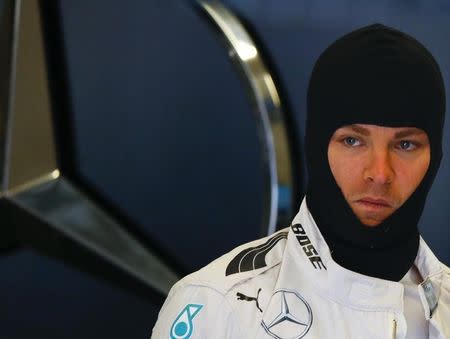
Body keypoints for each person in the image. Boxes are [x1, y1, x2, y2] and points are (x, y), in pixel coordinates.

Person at [151, 23, 449, 338]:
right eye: (352, 141)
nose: (379, 173)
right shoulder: (217, 305)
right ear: (317, 146)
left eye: (405, 145)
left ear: (434, 156)